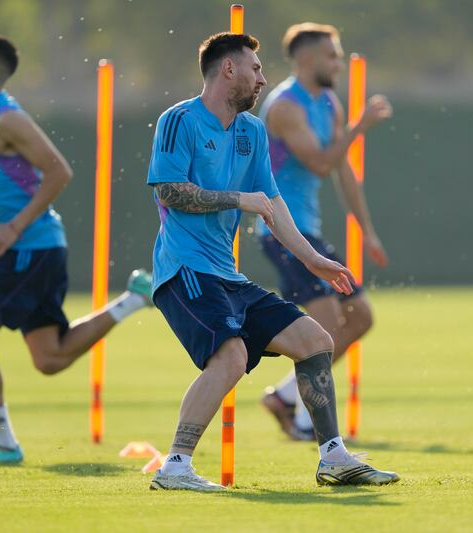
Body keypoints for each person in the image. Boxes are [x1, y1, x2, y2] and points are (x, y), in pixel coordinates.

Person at [146, 32, 399, 491]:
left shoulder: (252, 131)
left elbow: (273, 204)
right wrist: (237, 198)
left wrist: (314, 258)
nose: (263, 78)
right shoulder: (178, 120)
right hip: (184, 271)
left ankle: (333, 457)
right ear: (228, 69)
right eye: (256, 69)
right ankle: (176, 466)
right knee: (232, 356)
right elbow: (170, 192)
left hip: (226, 273)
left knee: (316, 340)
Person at [0, 34, 151, 464]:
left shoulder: (6, 118)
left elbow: (59, 171)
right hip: (35, 248)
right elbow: (12, 190)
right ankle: (133, 300)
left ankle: (3, 442)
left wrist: (14, 228)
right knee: (49, 358)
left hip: (31, 248)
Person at [257, 23, 392, 441]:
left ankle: (284, 397)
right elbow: (319, 162)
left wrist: (367, 230)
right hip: (281, 228)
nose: (339, 63)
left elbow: (340, 167)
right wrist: (359, 128)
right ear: (307, 59)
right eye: (333, 56)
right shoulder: (285, 106)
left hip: (309, 231)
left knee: (361, 317)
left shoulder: (329, 102)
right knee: (328, 323)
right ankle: (304, 421)